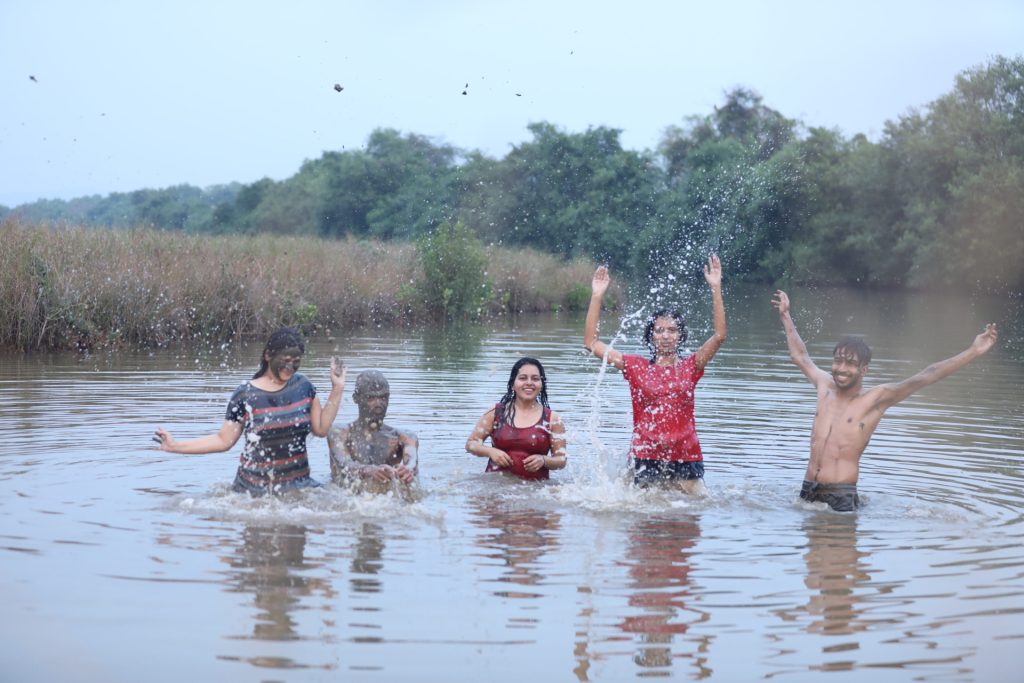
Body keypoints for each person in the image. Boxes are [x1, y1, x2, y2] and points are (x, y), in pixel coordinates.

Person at [772, 289, 999, 511]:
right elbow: (799, 356)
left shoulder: (876, 399)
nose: (841, 369)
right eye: (838, 361)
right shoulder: (824, 386)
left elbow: (928, 375)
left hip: (840, 495)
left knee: (839, 550)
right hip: (807, 491)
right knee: (811, 549)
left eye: (850, 364)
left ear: (864, 370)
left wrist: (974, 351)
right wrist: (785, 315)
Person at [584, 256, 726, 493]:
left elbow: (720, 336)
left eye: (672, 330)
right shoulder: (636, 366)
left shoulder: (691, 366)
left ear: (681, 336)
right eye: (659, 330)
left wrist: (716, 288)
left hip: (686, 455)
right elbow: (591, 343)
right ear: (651, 336)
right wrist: (597, 296)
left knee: (689, 520)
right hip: (645, 455)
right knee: (645, 522)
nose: (666, 335)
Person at [154, 327, 346, 495]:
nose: (291, 367)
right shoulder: (245, 395)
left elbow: (320, 429)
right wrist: (175, 446)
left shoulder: (304, 386)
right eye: (285, 360)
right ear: (268, 356)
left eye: (296, 361)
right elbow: (223, 440)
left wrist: (337, 388)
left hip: (300, 486)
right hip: (254, 491)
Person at [466, 357, 567, 480]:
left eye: (535, 379)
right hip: (494, 488)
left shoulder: (552, 419)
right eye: (523, 378)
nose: (529, 383)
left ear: (541, 385)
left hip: (536, 491)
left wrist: (544, 460)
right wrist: (490, 452)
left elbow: (561, 460)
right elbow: (471, 444)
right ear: (513, 384)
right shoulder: (496, 413)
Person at [328, 370, 419, 494]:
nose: (378, 403)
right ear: (356, 398)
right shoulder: (339, 433)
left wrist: (408, 470)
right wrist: (369, 470)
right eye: (371, 398)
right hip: (346, 496)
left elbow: (412, 461)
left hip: (384, 499)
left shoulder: (404, 437)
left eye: (383, 397)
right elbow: (344, 465)